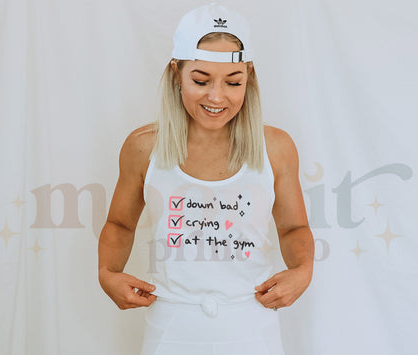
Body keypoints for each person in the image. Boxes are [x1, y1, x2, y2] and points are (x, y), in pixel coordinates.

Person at [98, 3, 314, 354]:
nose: (216, 96)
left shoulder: (276, 148)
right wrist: (108, 272)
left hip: (251, 324)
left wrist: (302, 271)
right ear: (175, 74)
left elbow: (294, 229)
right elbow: (120, 223)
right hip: (171, 325)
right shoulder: (143, 148)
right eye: (200, 80)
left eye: (233, 82)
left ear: (249, 79)